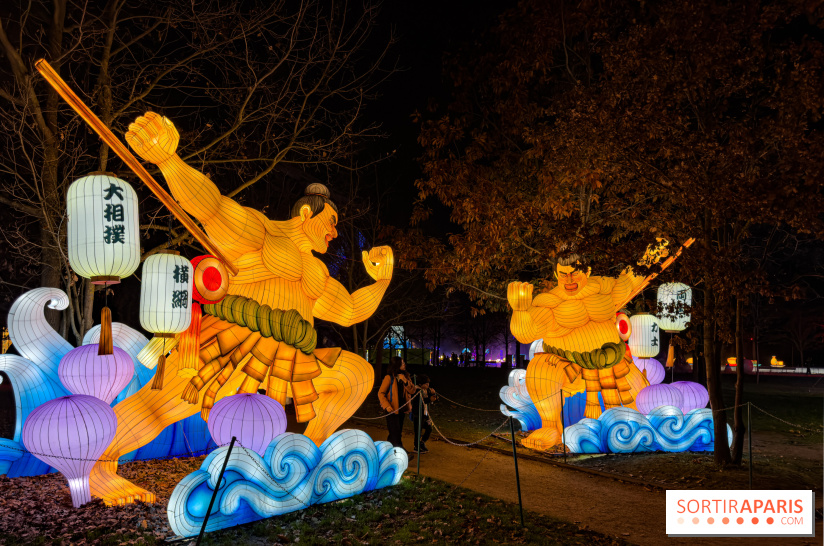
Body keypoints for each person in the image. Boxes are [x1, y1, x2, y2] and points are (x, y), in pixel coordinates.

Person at [378, 356, 416, 450]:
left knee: (395, 433)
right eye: (402, 363)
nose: (404, 364)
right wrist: (387, 406)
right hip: (391, 410)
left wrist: (405, 381)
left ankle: (387, 452)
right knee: (395, 432)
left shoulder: (406, 377)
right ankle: (402, 452)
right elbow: (381, 393)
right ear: (397, 365)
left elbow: (412, 390)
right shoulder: (389, 378)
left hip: (401, 409)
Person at [410, 374, 437, 453]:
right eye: (426, 383)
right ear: (420, 384)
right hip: (417, 414)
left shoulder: (426, 390)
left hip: (425, 414)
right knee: (418, 430)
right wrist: (430, 399)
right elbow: (422, 401)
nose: (428, 385)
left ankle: (422, 442)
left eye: (428, 383)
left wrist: (433, 394)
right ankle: (416, 446)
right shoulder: (417, 391)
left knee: (429, 428)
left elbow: (431, 399)